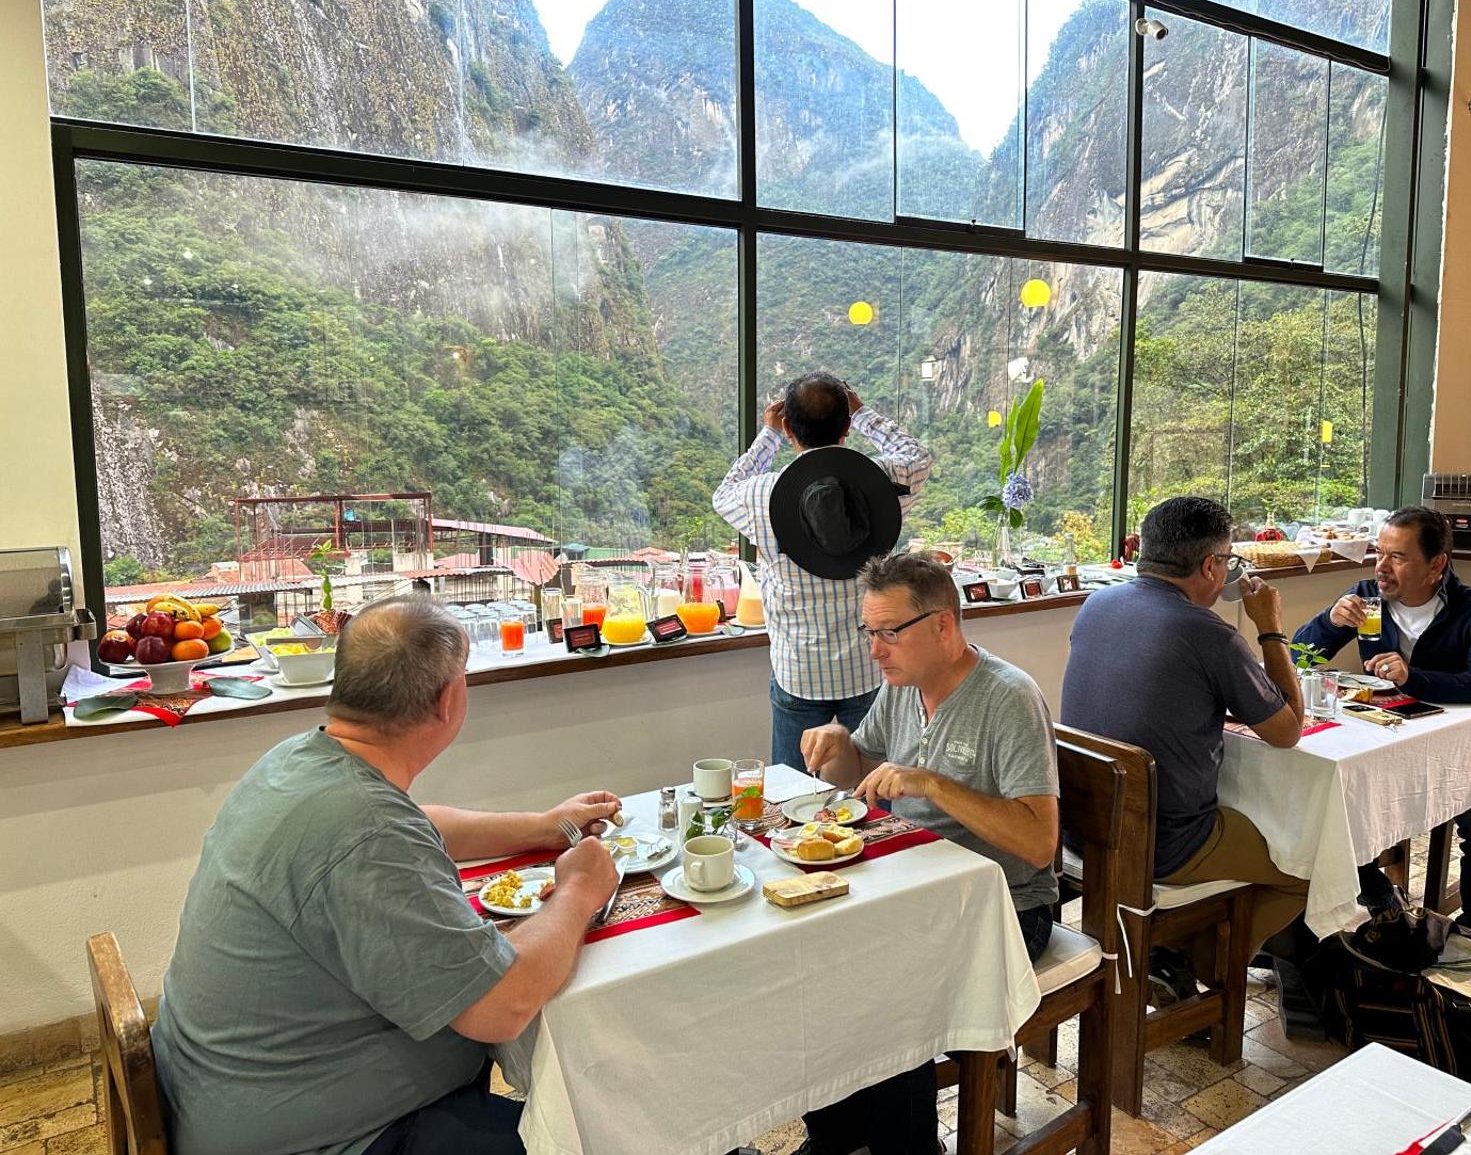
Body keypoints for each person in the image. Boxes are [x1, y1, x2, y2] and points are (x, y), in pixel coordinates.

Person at [151, 597, 621, 1155]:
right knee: (611, 1127)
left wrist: (543, 827)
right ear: (448, 700)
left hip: (230, 1094)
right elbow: (503, 1007)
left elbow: (418, 824)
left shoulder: (301, 759)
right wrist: (578, 890)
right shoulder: (367, 833)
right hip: (323, 1134)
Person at [792, 552, 1058, 1155]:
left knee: (891, 983)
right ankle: (839, 1137)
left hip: (1007, 907)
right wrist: (838, 745)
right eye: (869, 632)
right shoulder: (904, 688)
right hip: (917, 887)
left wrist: (933, 784)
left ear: (942, 625)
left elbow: (1040, 843)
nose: (875, 650)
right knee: (812, 957)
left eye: (889, 632)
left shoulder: (1008, 698)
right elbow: (862, 769)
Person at [1058, 496, 1311, 1011]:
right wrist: (1269, 627)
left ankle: (1170, 953)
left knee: (1254, 823)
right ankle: (1208, 966)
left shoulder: (1098, 604)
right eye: (1229, 560)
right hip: (1165, 844)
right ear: (1212, 566)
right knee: (1309, 863)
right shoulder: (1209, 633)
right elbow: (1287, 731)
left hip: (1082, 826)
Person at [1293, 505, 1471, 940]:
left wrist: (1414, 677)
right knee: (1328, 804)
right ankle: (1379, 894)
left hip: (1457, 751)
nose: (1381, 566)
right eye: (1379, 552)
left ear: (1436, 565)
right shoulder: (1366, 597)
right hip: (1385, 742)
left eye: (1397, 557)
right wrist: (1329, 622)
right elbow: (1299, 655)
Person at [714, 372, 932, 772]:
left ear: (789, 428)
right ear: (846, 426)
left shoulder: (762, 494)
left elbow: (724, 493)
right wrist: (862, 412)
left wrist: (768, 435)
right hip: (869, 665)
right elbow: (917, 456)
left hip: (798, 669)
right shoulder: (880, 482)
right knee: (878, 786)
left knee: (790, 789)